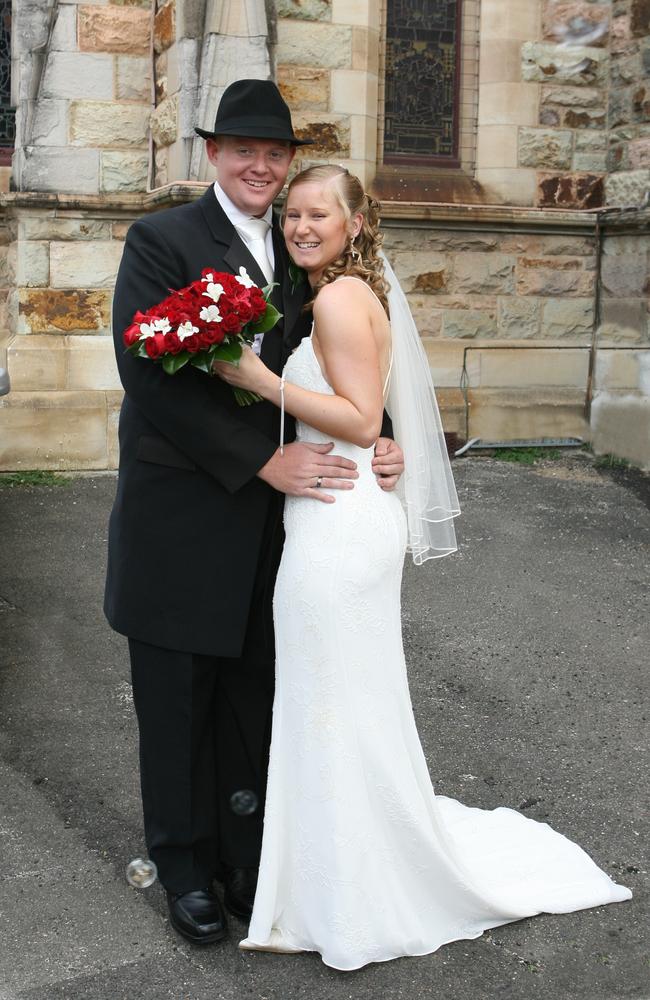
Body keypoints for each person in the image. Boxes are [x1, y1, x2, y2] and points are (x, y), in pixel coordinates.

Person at [215, 164, 632, 971]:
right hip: (339, 512)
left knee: (332, 700)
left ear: (357, 224)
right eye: (293, 215)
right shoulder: (341, 294)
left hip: (338, 525)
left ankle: (348, 891)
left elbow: (361, 416)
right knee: (341, 698)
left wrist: (261, 379)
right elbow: (372, 420)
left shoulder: (338, 299)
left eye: (318, 215)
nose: (301, 226)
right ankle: (336, 874)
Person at [104, 82, 404, 947]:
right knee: (178, 707)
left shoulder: (306, 244)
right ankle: (187, 868)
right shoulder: (161, 240)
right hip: (184, 522)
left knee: (256, 704)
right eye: (243, 149)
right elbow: (150, 379)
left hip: (286, 533)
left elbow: (353, 368)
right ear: (213, 155)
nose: (261, 165)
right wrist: (260, 457)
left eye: (274, 152)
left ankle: (247, 859)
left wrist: (386, 440)